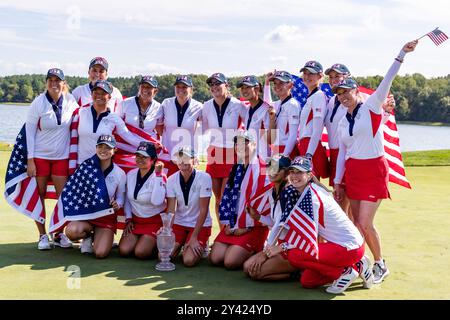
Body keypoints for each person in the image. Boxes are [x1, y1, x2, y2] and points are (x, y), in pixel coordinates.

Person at [333, 40, 418, 284]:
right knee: (357, 224)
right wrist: (338, 182)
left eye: (347, 92)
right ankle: (363, 262)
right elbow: (342, 154)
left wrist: (401, 54)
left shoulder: (371, 106)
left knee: (364, 222)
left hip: (374, 171)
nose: (343, 97)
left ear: (356, 92)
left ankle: (381, 264)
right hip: (354, 173)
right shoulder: (341, 121)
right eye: (339, 94)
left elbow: (387, 80)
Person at [261, 157, 373, 294]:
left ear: (309, 175)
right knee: (307, 281)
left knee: (294, 255)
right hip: (343, 246)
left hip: (349, 248)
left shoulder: (312, 197)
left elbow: (309, 238)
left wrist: (281, 246)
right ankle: (358, 265)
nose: (295, 176)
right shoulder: (305, 191)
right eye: (293, 171)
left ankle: (346, 270)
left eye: (300, 172)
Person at [324, 64, 394, 218]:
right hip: (337, 156)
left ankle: (345, 241)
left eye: (337, 76)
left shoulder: (362, 98)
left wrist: (386, 112)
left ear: (347, 77)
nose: (333, 80)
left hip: (352, 155)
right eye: (331, 77)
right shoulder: (330, 101)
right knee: (340, 206)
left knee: (342, 209)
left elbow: (371, 124)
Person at [25, 68, 78, 250]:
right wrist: (30, 160)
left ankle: (58, 232)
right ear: (46, 82)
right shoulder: (38, 103)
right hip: (40, 156)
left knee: (62, 196)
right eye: (51, 80)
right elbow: (29, 133)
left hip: (61, 157)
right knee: (38, 195)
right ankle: (42, 235)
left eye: (58, 80)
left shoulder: (71, 100)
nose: (54, 83)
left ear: (64, 83)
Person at [210, 131, 269, 270]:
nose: (240, 146)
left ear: (254, 145)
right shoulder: (236, 166)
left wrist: (246, 226)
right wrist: (228, 223)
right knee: (215, 257)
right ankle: (239, 247)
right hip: (235, 223)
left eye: (245, 143)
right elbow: (229, 199)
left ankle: (258, 248)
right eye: (237, 143)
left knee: (230, 262)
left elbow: (265, 204)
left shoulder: (263, 168)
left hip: (254, 226)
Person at [65, 135, 126, 258]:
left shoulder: (119, 173)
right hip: (87, 215)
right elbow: (74, 192)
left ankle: (95, 236)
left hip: (106, 217)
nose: (103, 150)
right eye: (100, 146)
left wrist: (117, 204)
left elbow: (121, 198)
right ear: (96, 147)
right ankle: (87, 235)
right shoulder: (86, 167)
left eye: (107, 148)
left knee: (100, 253)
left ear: (114, 150)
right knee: (71, 232)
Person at [243, 154, 298, 281]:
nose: (272, 171)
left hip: (293, 246)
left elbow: (279, 225)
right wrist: (258, 217)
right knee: (247, 267)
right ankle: (292, 272)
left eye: (278, 168)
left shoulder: (289, 193)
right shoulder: (273, 191)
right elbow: (275, 222)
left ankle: (296, 272)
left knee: (255, 272)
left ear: (287, 172)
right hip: (281, 245)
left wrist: (265, 253)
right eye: (270, 167)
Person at [202, 73, 246, 227]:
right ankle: (222, 233)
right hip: (214, 153)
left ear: (226, 85)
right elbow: (204, 129)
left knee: (227, 196)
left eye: (217, 84)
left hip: (232, 153)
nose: (214, 87)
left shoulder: (238, 105)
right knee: (218, 198)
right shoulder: (207, 106)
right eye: (211, 85)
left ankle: (230, 230)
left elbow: (250, 124)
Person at [75, 80, 146, 165]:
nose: (99, 96)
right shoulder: (80, 112)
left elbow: (129, 137)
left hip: (103, 166)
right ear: (91, 94)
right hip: (81, 165)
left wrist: (148, 145)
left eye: (103, 93)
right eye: (96, 93)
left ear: (109, 97)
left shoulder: (115, 119)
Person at [166, 146, 213, 267]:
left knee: (188, 261)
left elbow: (203, 210)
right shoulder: (171, 179)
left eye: (186, 158)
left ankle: (200, 243)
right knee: (164, 256)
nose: (182, 161)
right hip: (180, 223)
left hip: (200, 225)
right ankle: (181, 243)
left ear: (194, 160)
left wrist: (194, 237)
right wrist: (167, 230)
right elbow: (171, 209)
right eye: (179, 158)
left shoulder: (205, 178)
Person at [119, 142, 166, 259]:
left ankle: (157, 243)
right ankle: (143, 239)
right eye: (138, 156)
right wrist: (128, 219)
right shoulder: (130, 174)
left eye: (144, 157)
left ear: (153, 159)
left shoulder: (159, 176)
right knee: (124, 250)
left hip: (155, 222)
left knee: (140, 253)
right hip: (136, 222)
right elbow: (129, 200)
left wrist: (159, 175)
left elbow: (157, 201)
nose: (140, 159)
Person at [160, 75, 203, 176]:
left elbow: (205, 129)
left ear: (191, 89)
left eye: (184, 87)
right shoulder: (166, 103)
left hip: (187, 158)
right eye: (178, 87)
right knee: (166, 189)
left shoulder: (198, 106)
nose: (181, 90)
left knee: (186, 190)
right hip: (168, 156)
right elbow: (158, 126)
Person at [297, 61, 329, 179]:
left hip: (311, 146)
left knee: (310, 188)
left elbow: (317, 130)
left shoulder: (319, 96)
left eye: (311, 73)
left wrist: (309, 155)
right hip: (306, 145)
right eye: (305, 73)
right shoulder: (311, 97)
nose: (307, 76)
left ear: (320, 76)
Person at [263, 70, 301, 159]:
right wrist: (267, 83)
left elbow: (293, 135)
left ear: (290, 85)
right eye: (275, 83)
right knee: (272, 173)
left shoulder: (293, 104)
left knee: (280, 173)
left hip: (288, 150)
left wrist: (285, 156)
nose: (277, 86)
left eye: (281, 83)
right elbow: (266, 105)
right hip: (276, 149)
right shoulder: (279, 103)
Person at [237, 75, 272, 160]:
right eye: (242, 88)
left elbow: (271, 139)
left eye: (247, 87)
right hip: (251, 158)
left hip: (263, 159)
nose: (244, 90)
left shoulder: (266, 109)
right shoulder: (248, 108)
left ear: (257, 88)